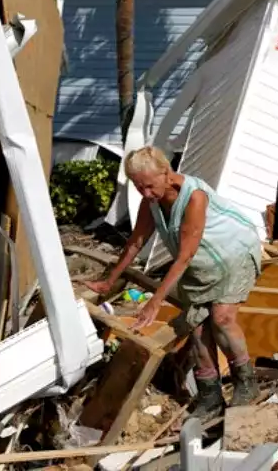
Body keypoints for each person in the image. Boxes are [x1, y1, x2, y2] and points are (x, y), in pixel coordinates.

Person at [85, 146, 263, 418]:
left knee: (221, 318)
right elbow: (136, 243)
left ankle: (246, 384)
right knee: (196, 326)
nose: (145, 193)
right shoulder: (151, 201)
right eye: (138, 187)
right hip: (201, 264)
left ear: (167, 174)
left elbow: (184, 255)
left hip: (233, 253)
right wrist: (108, 281)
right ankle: (210, 397)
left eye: (149, 186)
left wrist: (155, 302)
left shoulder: (194, 197)